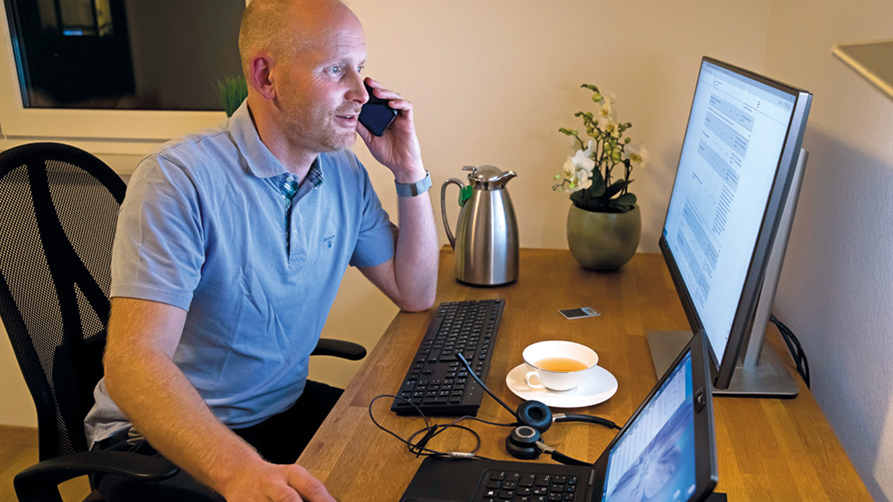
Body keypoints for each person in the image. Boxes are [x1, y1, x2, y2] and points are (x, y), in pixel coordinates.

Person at [83, 0, 438, 500]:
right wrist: (239, 473)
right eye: (335, 69)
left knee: (415, 459)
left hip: (277, 413)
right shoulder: (178, 180)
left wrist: (409, 172)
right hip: (158, 442)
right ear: (266, 75)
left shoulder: (341, 173)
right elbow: (132, 362)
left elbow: (415, 291)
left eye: (360, 68)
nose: (360, 92)